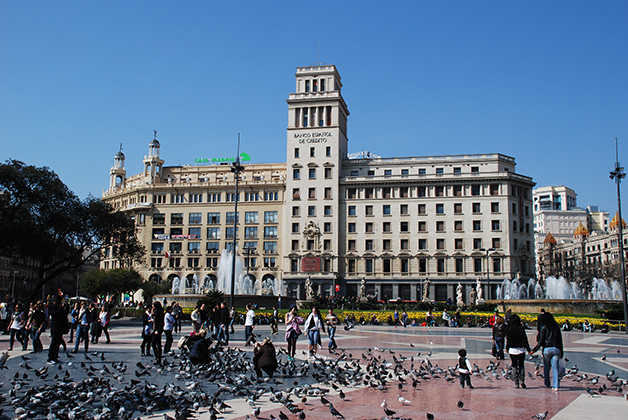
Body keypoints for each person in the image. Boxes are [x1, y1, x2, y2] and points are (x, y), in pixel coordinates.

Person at [531, 312, 564, 391]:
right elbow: (560, 341)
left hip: (547, 349)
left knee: (546, 367)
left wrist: (534, 349)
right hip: (556, 349)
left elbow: (541, 340)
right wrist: (561, 352)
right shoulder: (556, 327)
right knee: (555, 367)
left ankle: (547, 382)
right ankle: (556, 385)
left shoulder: (544, 327)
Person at [505, 314, 531, 389]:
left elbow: (508, 340)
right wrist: (528, 349)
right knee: (521, 365)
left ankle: (516, 382)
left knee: (514, 366)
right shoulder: (521, 328)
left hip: (512, 350)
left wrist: (507, 348)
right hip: (521, 349)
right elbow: (525, 339)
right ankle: (522, 380)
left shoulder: (509, 329)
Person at [47, 294, 68, 364]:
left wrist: (66, 306)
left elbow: (65, 315)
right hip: (55, 328)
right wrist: (61, 308)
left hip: (60, 328)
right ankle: (50, 357)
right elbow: (55, 313)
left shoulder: (59, 308)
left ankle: (55, 357)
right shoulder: (52, 307)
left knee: (57, 344)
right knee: (54, 343)